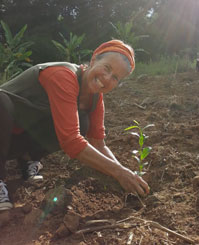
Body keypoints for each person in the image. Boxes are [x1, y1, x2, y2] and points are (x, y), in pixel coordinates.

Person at [0, 39, 150, 210]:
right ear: (93, 60)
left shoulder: (95, 99)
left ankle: (27, 158)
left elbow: (98, 144)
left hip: (14, 139)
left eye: (115, 77)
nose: (107, 78)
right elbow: (71, 141)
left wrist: (124, 174)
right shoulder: (63, 75)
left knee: (82, 122)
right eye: (107, 68)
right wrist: (119, 173)